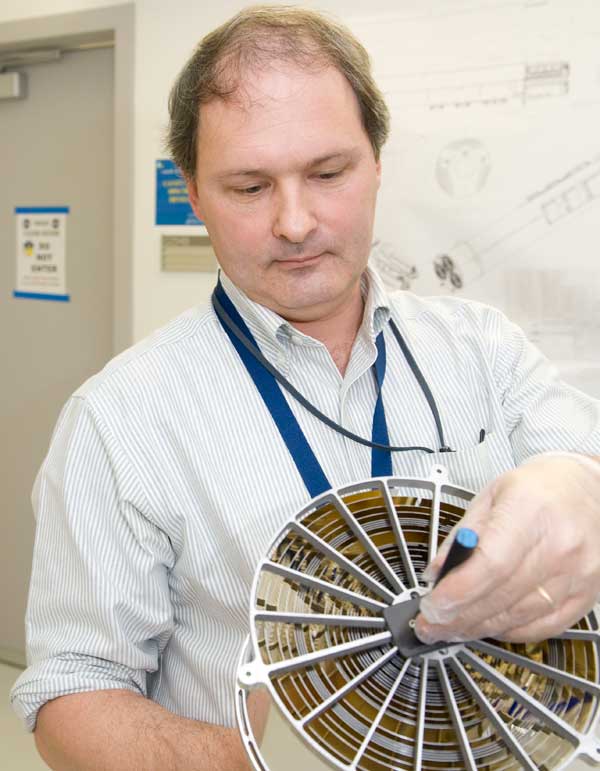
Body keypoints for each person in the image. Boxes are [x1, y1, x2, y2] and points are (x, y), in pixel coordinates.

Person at [11, 5, 600, 770]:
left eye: (328, 173)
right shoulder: (118, 420)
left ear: (377, 162)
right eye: (250, 186)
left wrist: (580, 483)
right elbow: (71, 693)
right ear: (192, 191)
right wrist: (260, 759)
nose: (295, 222)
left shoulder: (484, 349)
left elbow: (584, 479)